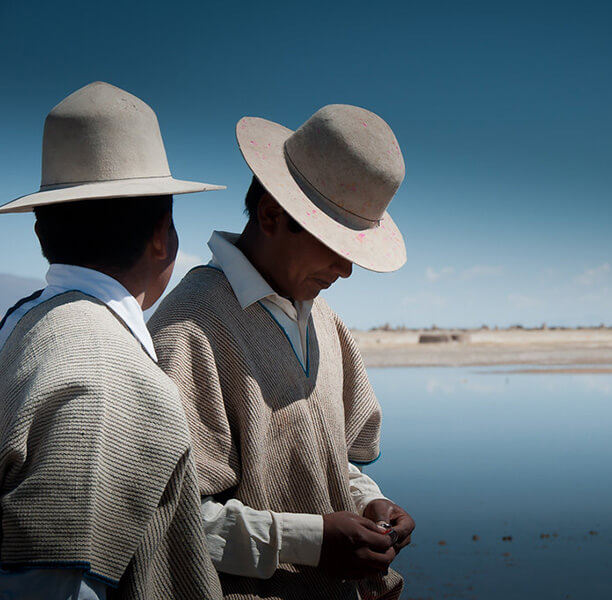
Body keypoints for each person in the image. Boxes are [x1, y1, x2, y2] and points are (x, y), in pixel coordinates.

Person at [148, 104, 415, 600]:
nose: (347, 270)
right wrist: (309, 543)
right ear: (272, 214)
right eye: (335, 245)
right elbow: (164, 518)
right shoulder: (189, 327)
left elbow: (330, 460)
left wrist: (370, 503)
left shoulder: (324, 319)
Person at [0, 81, 224, 599]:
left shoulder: (26, 323)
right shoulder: (107, 375)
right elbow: (58, 586)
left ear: (39, 233)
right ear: (160, 236)